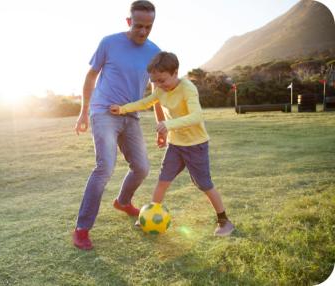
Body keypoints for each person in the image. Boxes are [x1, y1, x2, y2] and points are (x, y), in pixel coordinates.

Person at [110, 52, 235, 236]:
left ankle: (224, 221)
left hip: (196, 145)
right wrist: (122, 109)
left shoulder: (188, 88)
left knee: (204, 184)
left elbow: (197, 116)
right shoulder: (160, 90)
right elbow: (146, 102)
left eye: (162, 80)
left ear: (175, 72)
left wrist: (168, 125)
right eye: (155, 82)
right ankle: (150, 216)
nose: (158, 86)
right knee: (163, 181)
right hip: (175, 145)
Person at [73, 0, 161, 250]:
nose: (143, 31)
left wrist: (161, 123)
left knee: (142, 167)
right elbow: (90, 76)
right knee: (105, 167)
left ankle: (123, 201)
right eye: (138, 26)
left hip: (130, 115)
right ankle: (82, 229)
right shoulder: (109, 42)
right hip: (103, 112)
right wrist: (83, 113)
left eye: (149, 27)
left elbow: (156, 90)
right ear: (128, 22)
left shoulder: (155, 53)